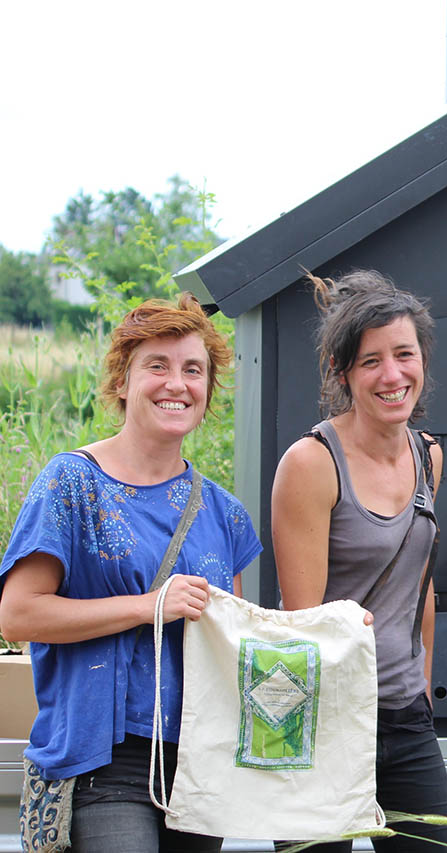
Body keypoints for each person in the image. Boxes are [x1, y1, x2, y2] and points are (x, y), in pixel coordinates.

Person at [0, 293, 262, 853]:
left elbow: (231, 645)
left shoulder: (223, 514)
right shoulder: (71, 483)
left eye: (194, 370)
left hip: (197, 765)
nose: (177, 383)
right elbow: (18, 615)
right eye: (157, 366)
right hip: (103, 760)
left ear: (209, 389)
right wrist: (149, 606)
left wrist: (333, 631)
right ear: (123, 382)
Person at [270, 270, 447, 852]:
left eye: (404, 354)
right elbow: (306, 621)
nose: (392, 375)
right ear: (342, 372)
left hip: (405, 718)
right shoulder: (311, 464)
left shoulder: (429, 457)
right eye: (370, 361)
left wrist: (421, 687)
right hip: (322, 721)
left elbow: (420, 583)